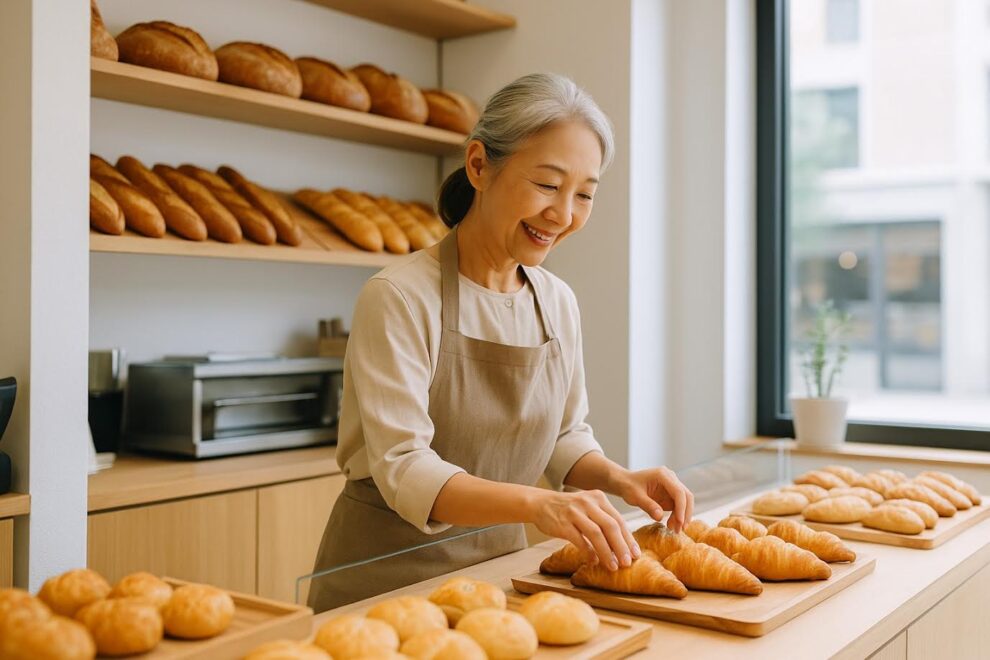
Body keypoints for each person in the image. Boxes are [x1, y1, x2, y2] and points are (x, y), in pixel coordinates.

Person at [309, 72, 693, 612]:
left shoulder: (556, 301)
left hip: (497, 582)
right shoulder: (398, 296)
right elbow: (404, 467)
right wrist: (537, 505)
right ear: (478, 166)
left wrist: (619, 478)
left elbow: (561, 436)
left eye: (584, 194)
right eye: (547, 184)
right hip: (381, 587)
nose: (563, 214)